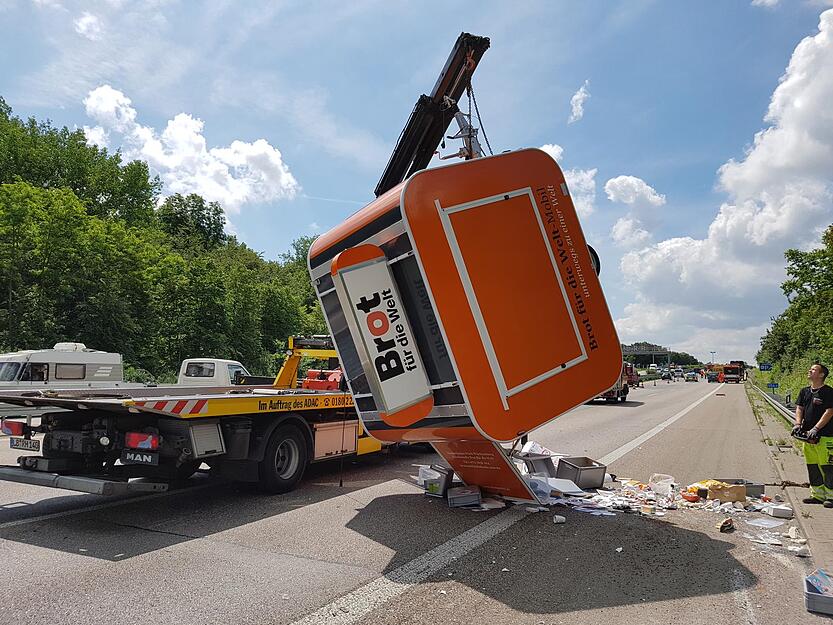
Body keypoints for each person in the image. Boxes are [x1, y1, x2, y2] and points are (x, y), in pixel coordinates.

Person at [793, 363, 833, 506]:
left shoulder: (828, 392)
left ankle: (831, 497)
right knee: (813, 466)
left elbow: (829, 411)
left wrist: (816, 428)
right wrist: (798, 424)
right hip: (808, 437)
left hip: (825, 436)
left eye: (814, 369)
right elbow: (799, 408)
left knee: (827, 467)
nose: (810, 370)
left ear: (821, 375)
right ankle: (817, 495)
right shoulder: (804, 391)